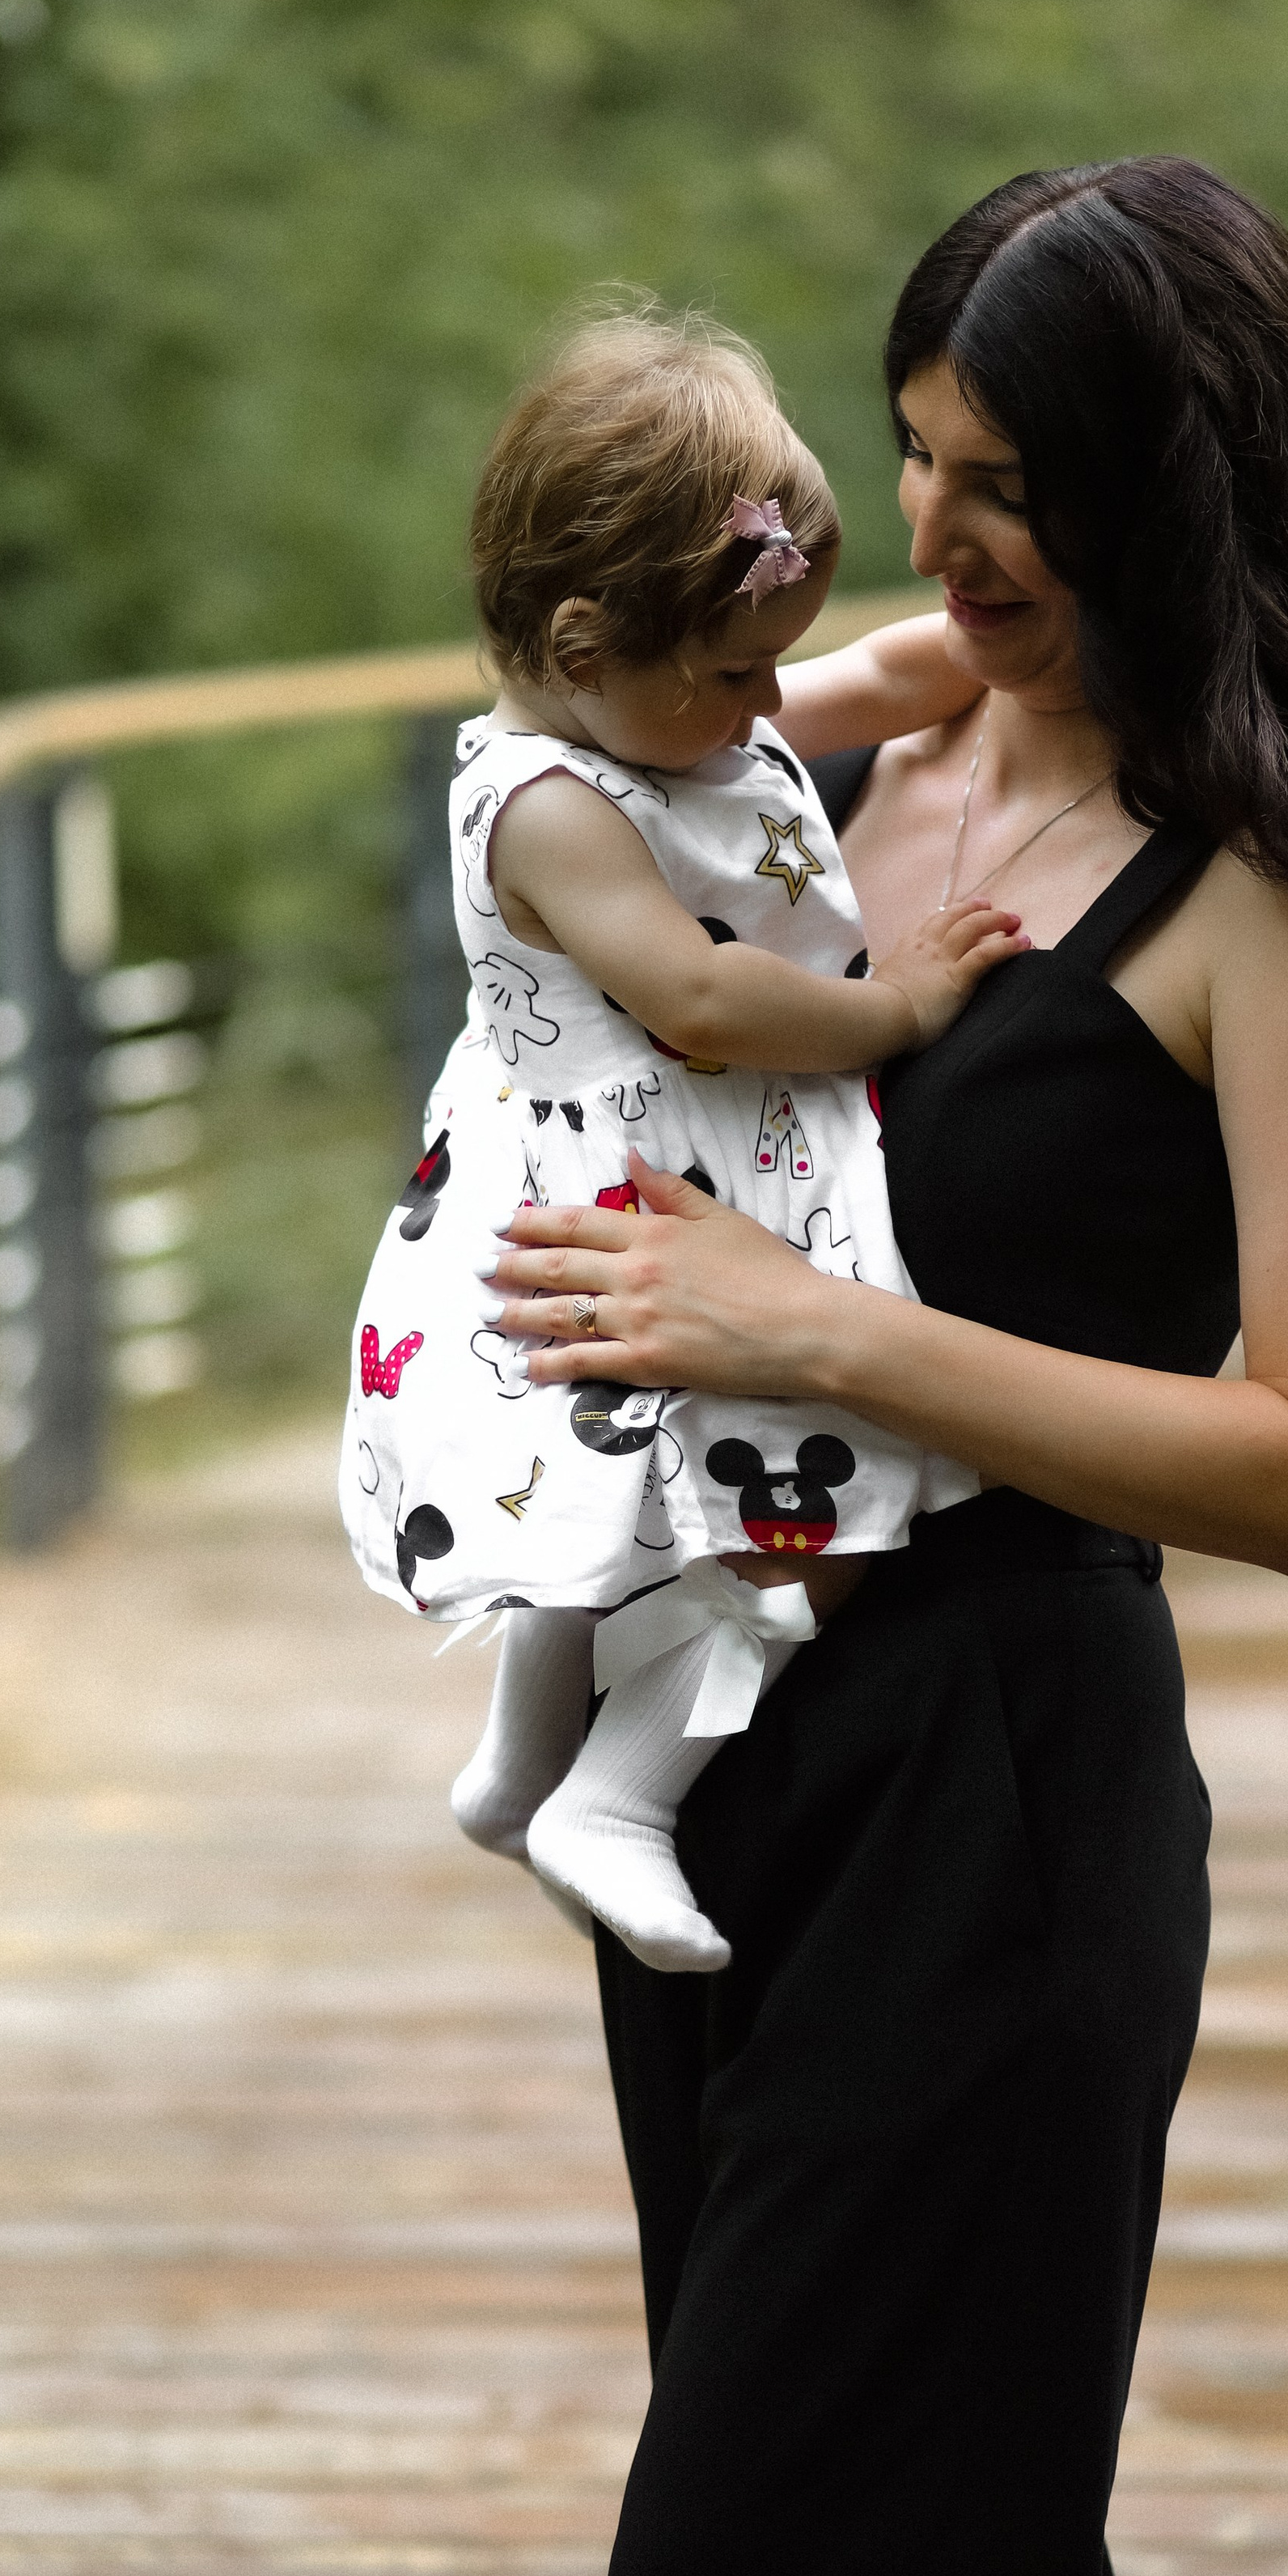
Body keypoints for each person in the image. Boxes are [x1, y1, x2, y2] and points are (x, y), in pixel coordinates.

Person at [480, 159, 1288, 2576]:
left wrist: (821, 1331)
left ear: (1174, 490)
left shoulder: (1279, 892)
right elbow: (528, 745)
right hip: (739, 1788)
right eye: (925, 456)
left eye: (1021, 484)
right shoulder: (860, 735)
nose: (948, 528)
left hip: (999, 1795)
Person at [341, 309, 1018, 1971]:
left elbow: (886, 674)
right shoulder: (554, 806)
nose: (773, 700)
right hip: (640, 1175)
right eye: (737, 672)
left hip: (685, 1159)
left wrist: (1041, 632)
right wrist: (900, 1009)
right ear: (584, 645)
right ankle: (615, 1793)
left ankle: (513, 1768)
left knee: (615, 1503)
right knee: (795, 1492)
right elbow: (698, 997)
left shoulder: (673, 708)